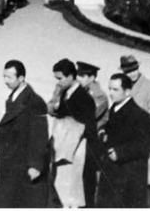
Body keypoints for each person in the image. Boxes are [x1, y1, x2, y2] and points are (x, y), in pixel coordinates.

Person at [0, 59, 49, 208]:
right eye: (4, 76)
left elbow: (40, 136)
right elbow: (5, 125)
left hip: (23, 162)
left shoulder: (34, 101)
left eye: (9, 77)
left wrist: (35, 165)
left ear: (21, 78)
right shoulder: (13, 98)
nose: (5, 81)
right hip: (8, 160)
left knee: (20, 202)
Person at [96, 72, 150, 208]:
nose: (110, 93)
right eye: (109, 88)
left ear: (128, 91)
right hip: (112, 172)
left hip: (128, 176)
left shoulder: (140, 116)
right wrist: (103, 130)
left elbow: (145, 145)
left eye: (115, 90)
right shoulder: (115, 109)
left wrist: (120, 153)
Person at [49, 58, 96, 208]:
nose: (58, 82)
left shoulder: (84, 98)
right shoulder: (66, 93)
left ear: (70, 77)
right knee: (64, 188)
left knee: (76, 190)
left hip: (78, 149)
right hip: (66, 147)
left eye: (60, 78)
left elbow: (87, 127)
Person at [77, 61, 109, 131]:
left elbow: (86, 117)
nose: (78, 79)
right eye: (78, 75)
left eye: (82, 76)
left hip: (90, 135)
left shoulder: (99, 96)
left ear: (92, 78)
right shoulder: (78, 90)